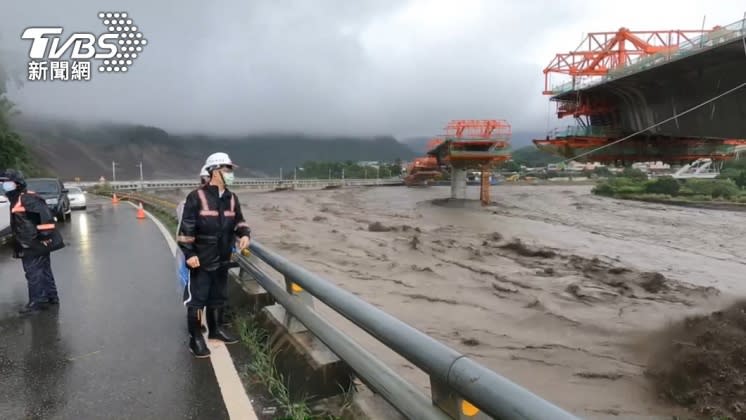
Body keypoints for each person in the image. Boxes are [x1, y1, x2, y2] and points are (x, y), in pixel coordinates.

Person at [177, 153, 251, 358]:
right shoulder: (196, 197)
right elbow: (186, 230)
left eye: (231, 169)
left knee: (218, 296)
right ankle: (196, 340)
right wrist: (189, 254)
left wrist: (244, 234)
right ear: (214, 171)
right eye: (227, 169)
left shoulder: (232, 198)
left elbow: (239, 222)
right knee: (197, 300)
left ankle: (216, 330)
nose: (230, 173)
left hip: (223, 257)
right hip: (201, 259)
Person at [1, 169, 65, 314]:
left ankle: (37, 302)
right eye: (2, 182)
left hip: (33, 243)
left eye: (7, 182)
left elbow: (45, 219)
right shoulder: (17, 198)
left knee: (34, 273)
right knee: (43, 271)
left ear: (17, 183)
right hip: (31, 242)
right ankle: (51, 297)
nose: (4, 185)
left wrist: (45, 237)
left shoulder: (27, 198)